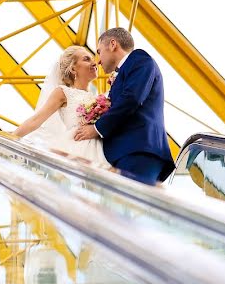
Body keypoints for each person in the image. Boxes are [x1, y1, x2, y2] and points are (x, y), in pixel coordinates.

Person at [74, 27, 174, 185]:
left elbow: (132, 98)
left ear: (113, 44)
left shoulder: (140, 59)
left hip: (139, 150)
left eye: (99, 52)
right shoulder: (126, 70)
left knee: (128, 206)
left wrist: (96, 128)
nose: (98, 60)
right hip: (129, 151)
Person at [13, 46, 109, 168]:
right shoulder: (63, 92)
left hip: (100, 148)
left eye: (92, 59)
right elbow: (36, 120)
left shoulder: (96, 98)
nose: (94, 62)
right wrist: (12, 137)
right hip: (77, 147)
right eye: (87, 59)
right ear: (73, 68)